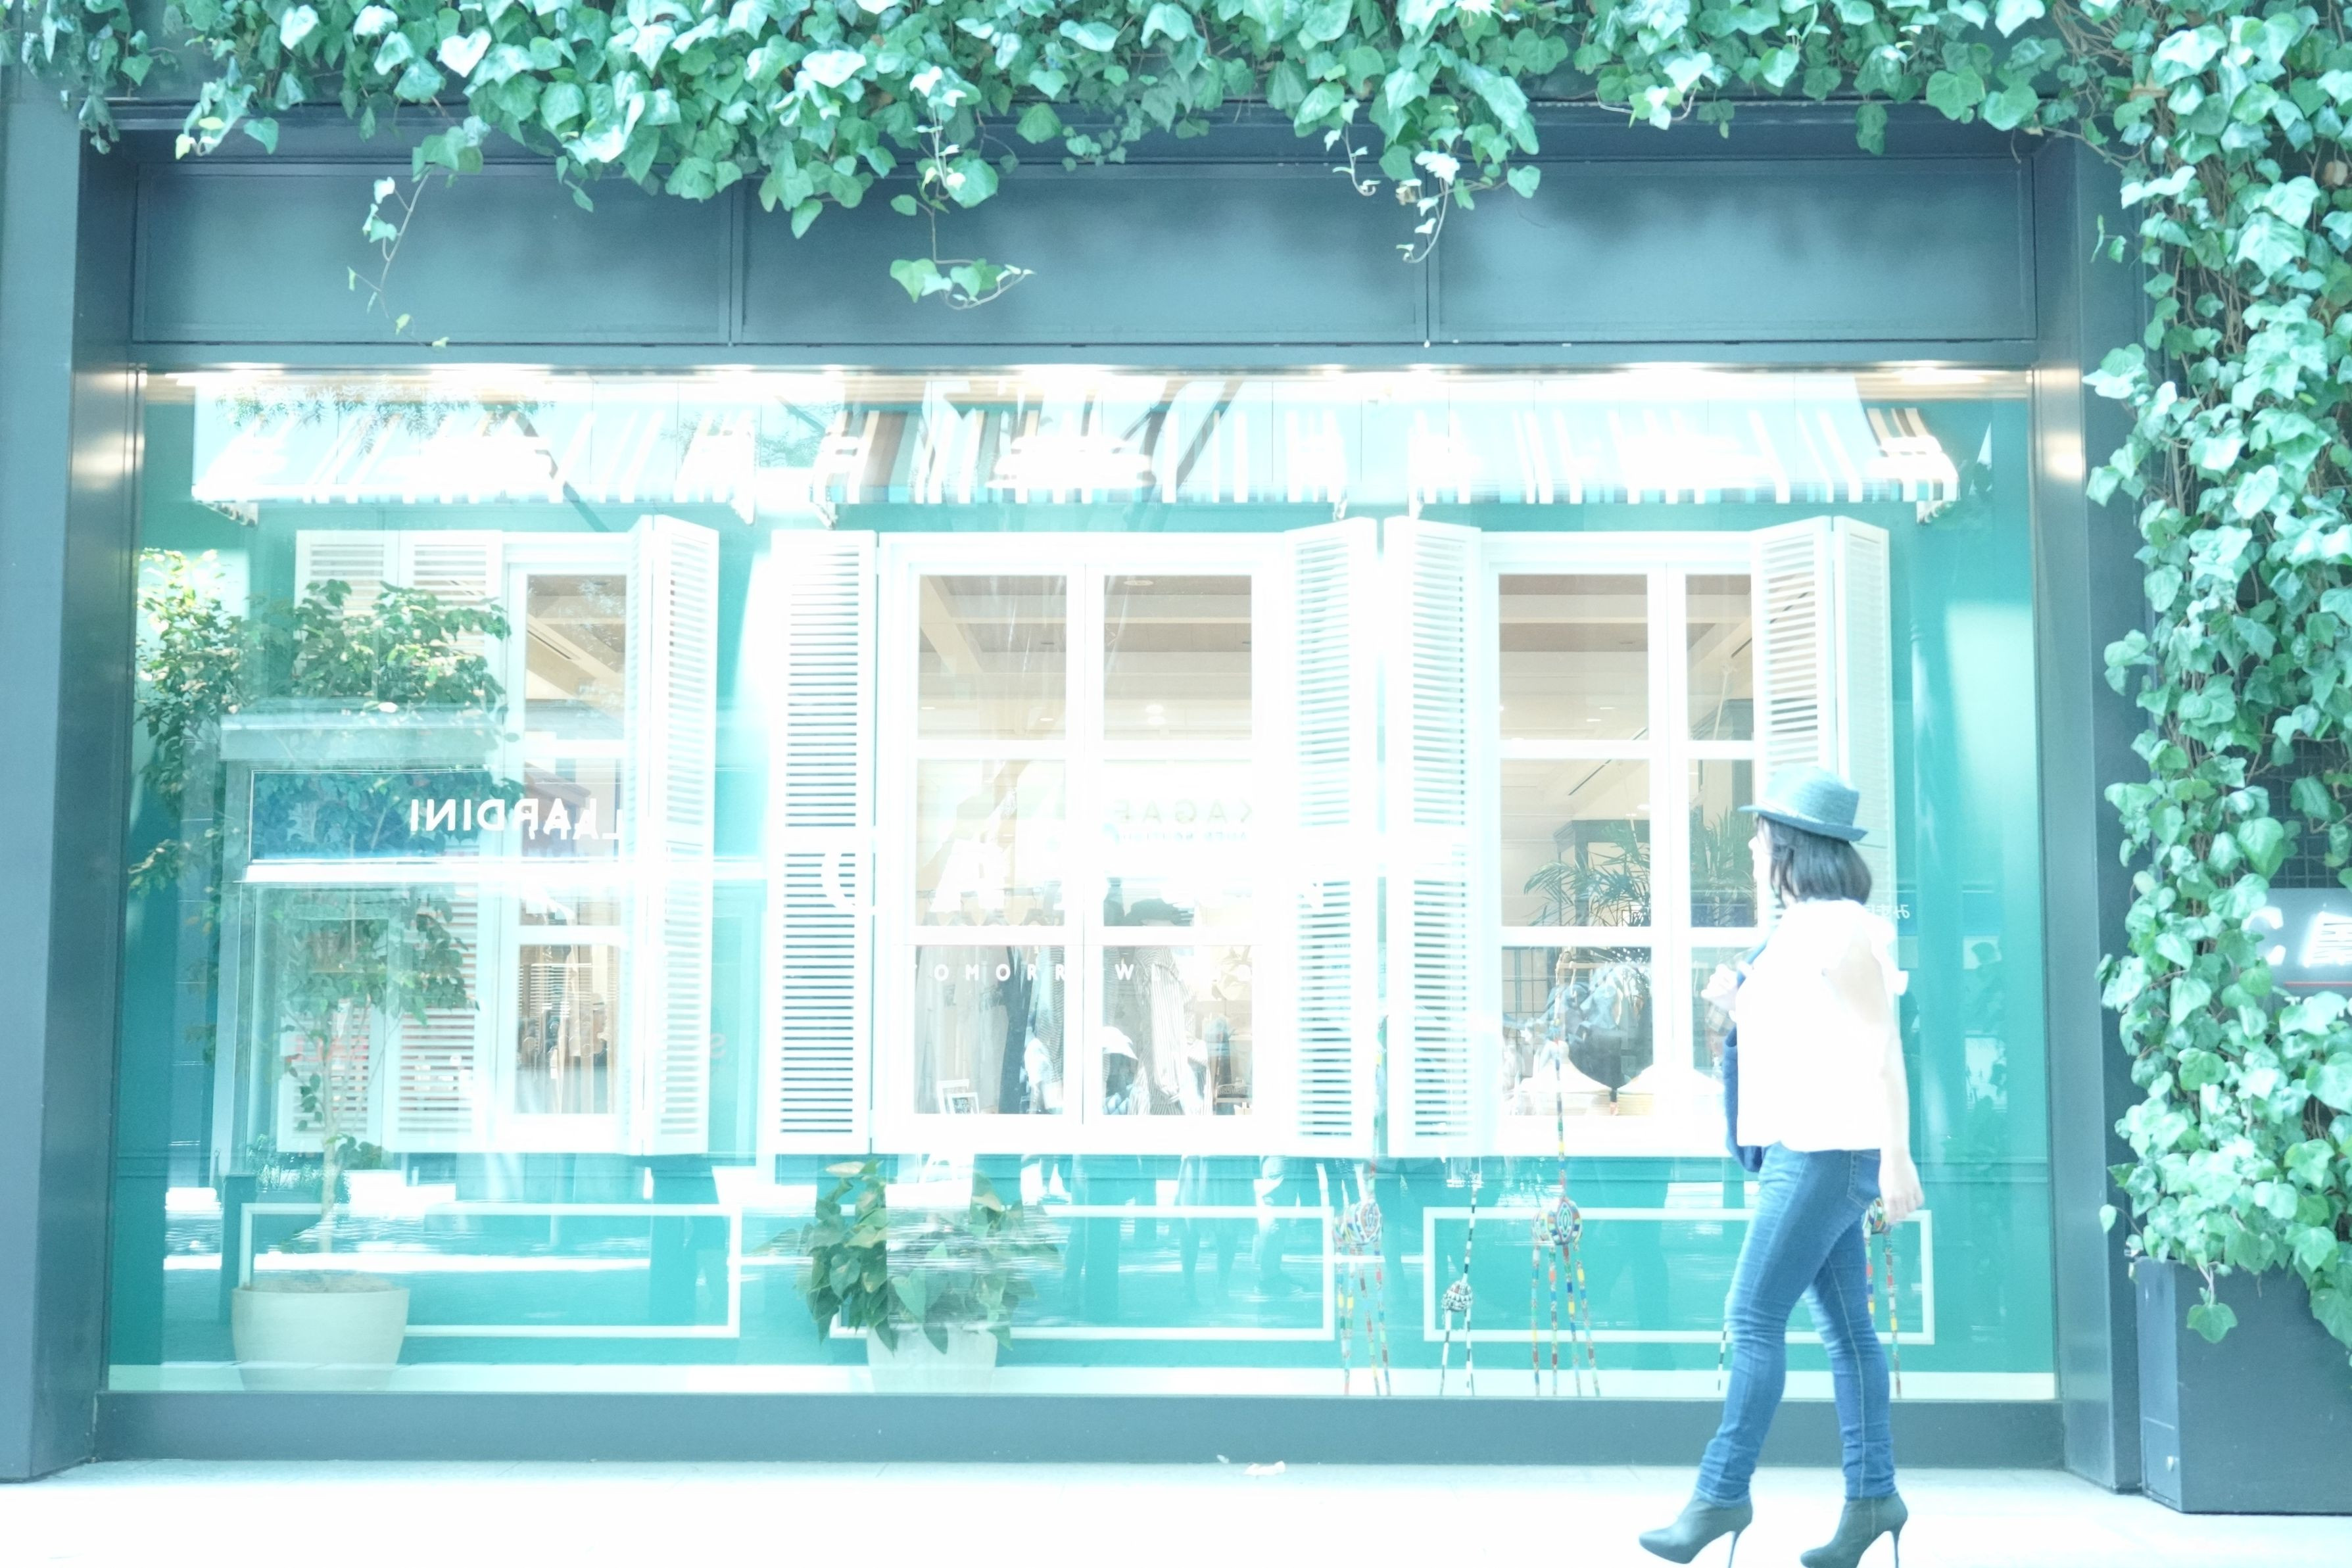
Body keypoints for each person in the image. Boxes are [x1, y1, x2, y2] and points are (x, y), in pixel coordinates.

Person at [1639, 766, 1923, 1568]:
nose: (1751, 847)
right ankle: (1872, 1499)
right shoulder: (1795, 931)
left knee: (1752, 1316)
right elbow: (1808, 1037)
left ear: (1791, 847)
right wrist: (1738, 1005)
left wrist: (1897, 1155)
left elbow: (1880, 1046)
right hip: (1804, 1145)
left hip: (1827, 1150)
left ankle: (1720, 1495)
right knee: (1847, 1330)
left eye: (1761, 834)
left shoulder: (1841, 930)